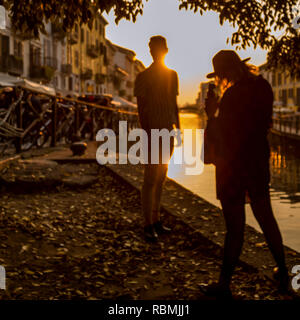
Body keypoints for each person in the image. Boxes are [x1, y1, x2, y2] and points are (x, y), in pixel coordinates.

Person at [201, 50, 289, 298]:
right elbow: (260, 125)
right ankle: (283, 273)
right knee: (266, 218)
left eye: (219, 75)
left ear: (225, 72)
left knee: (235, 227)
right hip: (257, 162)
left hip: (233, 168)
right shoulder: (263, 86)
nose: (220, 79)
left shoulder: (231, 97)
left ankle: (224, 285)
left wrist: (211, 115)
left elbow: (225, 137)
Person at [134, 35, 180, 242]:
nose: (155, 51)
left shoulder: (172, 75)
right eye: (152, 48)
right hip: (152, 130)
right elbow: (141, 110)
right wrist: (146, 133)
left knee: (161, 177)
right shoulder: (143, 77)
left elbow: (173, 104)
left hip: (167, 130)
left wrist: (176, 129)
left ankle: (156, 219)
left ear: (165, 51)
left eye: (158, 48)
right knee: (150, 178)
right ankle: (147, 224)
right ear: (150, 51)